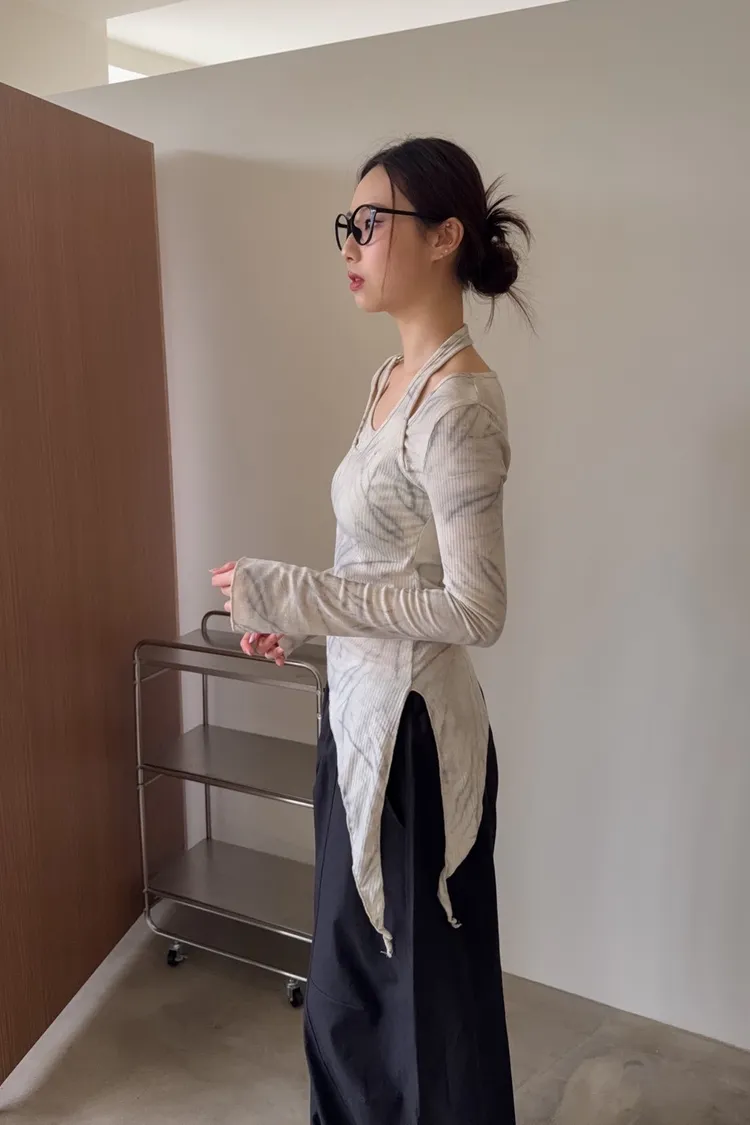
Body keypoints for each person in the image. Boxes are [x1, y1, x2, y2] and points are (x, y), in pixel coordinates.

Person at [211, 136, 529, 1125]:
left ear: (444, 236)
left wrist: (298, 597)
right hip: (357, 723)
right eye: (344, 225)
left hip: (414, 749)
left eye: (369, 223)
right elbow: (377, 577)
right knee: (355, 997)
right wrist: (306, 631)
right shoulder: (390, 380)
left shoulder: (459, 404)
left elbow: (474, 609)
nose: (349, 243)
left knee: (411, 1011)